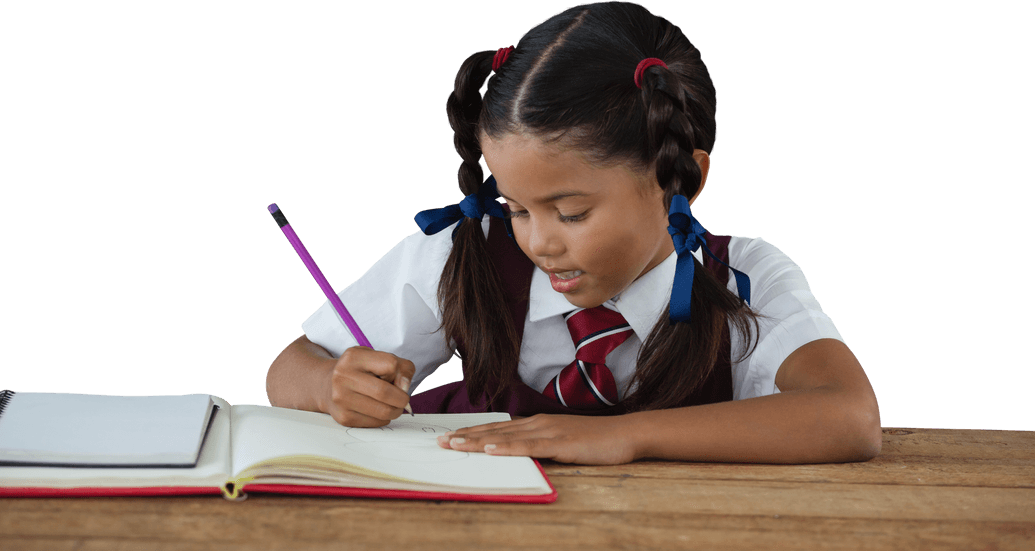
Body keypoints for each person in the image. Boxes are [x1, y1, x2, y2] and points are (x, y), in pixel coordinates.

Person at [266, 1, 881, 465]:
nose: (539, 243)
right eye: (516, 208)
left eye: (572, 213)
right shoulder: (465, 254)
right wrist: (330, 385)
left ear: (682, 180)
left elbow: (850, 418)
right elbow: (290, 367)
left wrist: (622, 435)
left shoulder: (745, 276)